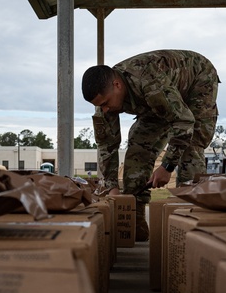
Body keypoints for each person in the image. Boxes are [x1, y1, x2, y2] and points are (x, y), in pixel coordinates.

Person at [82, 49, 219, 241]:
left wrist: (167, 166)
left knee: (192, 147)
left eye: (106, 103)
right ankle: (133, 222)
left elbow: (183, 121)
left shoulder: (148, 81)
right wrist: (112, 188)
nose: (105, 109)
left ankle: (188, 221)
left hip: (196, 80)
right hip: (158, 100)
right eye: (100, 106)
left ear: (117, 85)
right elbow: (106, 146)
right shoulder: (105, 100)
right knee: (139, 146)